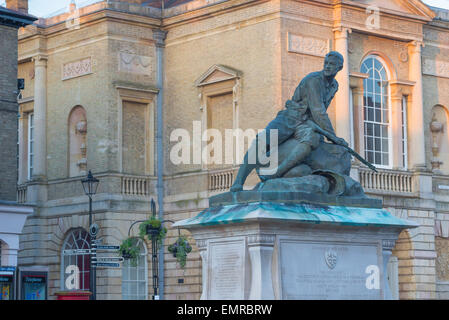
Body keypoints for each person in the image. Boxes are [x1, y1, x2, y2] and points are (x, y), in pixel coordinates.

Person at [230, 51, 348, 192]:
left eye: (332, 64)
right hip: (291, 117)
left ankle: (279, 171)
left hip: (306, 123)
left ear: (339, 68)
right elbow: (319, 111)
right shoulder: (314, 80)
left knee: (312, 139)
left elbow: (317, 112)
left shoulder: (334, 85)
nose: (328, 67)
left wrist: (322, 131)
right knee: (262, 141)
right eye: (326, 63)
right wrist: (333, 137)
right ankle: (238, 182)